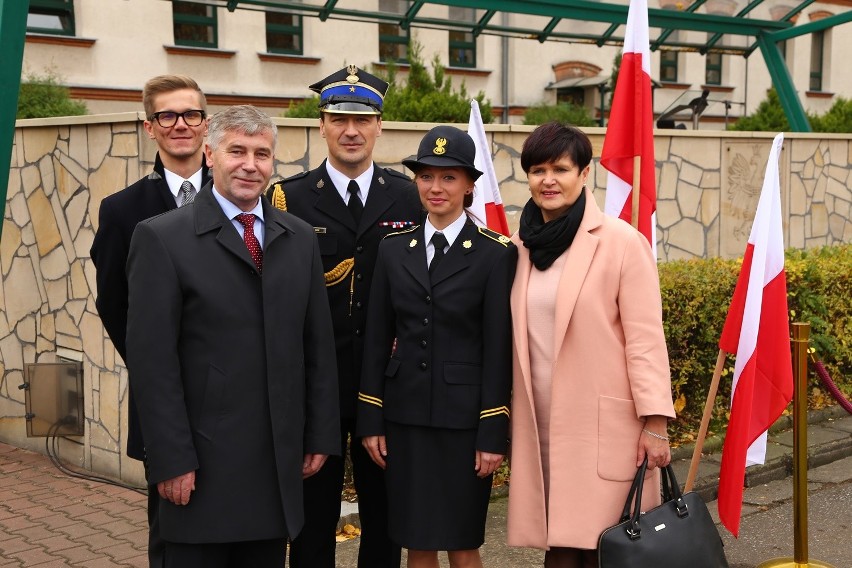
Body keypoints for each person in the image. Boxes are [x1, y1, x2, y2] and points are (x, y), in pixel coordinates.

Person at [125, 105, 340, 568]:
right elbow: (152, 363)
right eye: (236, 150)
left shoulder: (299, 238)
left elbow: (317, 347)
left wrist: (320, 434)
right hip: (200, 469)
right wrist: (170, 459)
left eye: (262, 153)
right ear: (209, 155)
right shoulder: (162, 238)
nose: (250, 164)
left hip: (273, 471)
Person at [266, 65, 422, 568]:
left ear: (380, 126)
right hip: (318, 387)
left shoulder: (410, 197)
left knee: (386, 521)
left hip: (388, 385)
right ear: (321, 125)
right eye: (338, 119)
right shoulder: (286, 198)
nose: (350, 131)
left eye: (363, 119)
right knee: (310, 522)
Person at [505, 122, 676, 568]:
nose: (548, 180)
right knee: (559, 545)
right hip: (539, 423)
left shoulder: (621, 243)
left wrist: (655, 421)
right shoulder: (518, 246)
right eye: (537, 169)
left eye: (560, 168)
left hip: (603, 427)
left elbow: (645, 341)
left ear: (584, 174)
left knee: (603, 547)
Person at [358, 125, 517, 568]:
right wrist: (371, 417)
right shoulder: (392, 249)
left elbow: (497, 349)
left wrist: (492, 431)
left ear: (469, 184)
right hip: (404, 417)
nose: (436, 187)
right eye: (426, 176)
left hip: (464, 423)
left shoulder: (495, 253)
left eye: (449, 177)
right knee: (416, 539)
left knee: (463, 541)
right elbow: (376, 338)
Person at [89, 74, 212, 567]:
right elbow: (114, 305)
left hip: (237, 399)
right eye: (168, 115)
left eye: (191, 114)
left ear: (206, 124)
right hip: (166, 402)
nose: (180, 124)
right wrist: (157, 366)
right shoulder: (123, 212)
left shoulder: (247, 202)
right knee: (172, 532)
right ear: (150, 127)